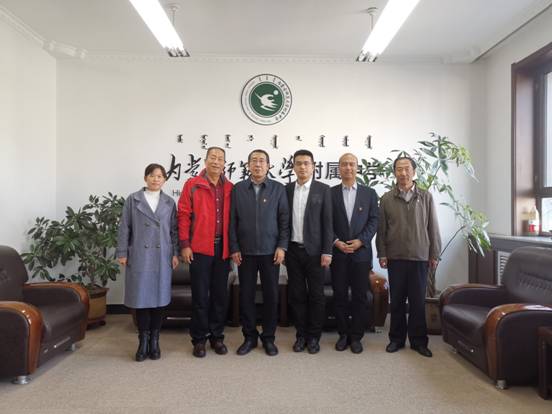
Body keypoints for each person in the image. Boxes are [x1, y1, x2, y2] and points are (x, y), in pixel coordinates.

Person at [376, 156, 441, 358]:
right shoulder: (387, 198)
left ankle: (418, 341)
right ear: (394, 172)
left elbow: (433, 227)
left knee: (417, 302)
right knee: (396, 301)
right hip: (395, 257)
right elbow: (381, 230)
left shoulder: (425, 196)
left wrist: (434, 254)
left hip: (420, 257)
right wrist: (382, 253)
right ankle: (396, 339)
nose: (403, 173)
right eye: (399, 169)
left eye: (407, 169)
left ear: (414, 171)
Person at [117, 163, 179, 361]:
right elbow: (124, 227)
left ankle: (155, 341)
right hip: (140, 255)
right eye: (152, 175)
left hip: (162, 255)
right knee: (141, 299)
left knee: (159, 299)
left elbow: (174, 231)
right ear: (145, 178)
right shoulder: (133, 199)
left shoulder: (169, 202)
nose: (155, 179)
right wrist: (122, 252)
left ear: (164, 180)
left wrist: (175, 253)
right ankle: (143, 340)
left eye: (159, 176)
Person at [229, 149, 289, 356]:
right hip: (244, 252)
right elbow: (232, 221)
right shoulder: (238, 189)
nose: (258, 164)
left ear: (268, 165)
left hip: (271, 252)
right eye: (254, 160)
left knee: (271, 296)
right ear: (248, 165)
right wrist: (234, 247)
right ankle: (249, 337)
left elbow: (284, 220)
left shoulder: (278, 189)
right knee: (246, 295)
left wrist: (282, 246)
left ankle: (269, 338)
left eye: (262, 161)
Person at [177, 147, 233, 358]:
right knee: (200, 296)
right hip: (199, 249)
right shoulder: (192, 185)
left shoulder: (230, 187)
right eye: (213, 158)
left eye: (220, 159)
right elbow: (183, 215)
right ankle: (199, 339)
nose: (216, 161)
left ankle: (217, 337)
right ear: (206, 160)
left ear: (224, 163)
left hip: (223, 249)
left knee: (220, 296)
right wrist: (185, 244)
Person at [285, 149, 333, 354]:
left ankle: (314, 337)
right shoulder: (287, 189)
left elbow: (328, 223)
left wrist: (327, 251)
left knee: (316, 296)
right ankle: (301, 335)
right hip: (292, 251)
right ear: (293, 167)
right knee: (296, 295)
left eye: (306, 163)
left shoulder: (323, 190)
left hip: (315, 253)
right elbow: (283, 221)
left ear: (313, 166)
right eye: (298, 163)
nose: (302, 167)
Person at [330, 153, 379, 354]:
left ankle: (356, 336)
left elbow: (374, 220)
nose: (348, 168)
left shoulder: (369, 193)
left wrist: (361, 241)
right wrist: (336, 242)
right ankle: (343, 334)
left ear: (357, 168)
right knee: (340, 295)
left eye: (352, 164)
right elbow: (326, 222)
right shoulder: (330, 193)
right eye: (344, 164)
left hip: (361, 254)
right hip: (338, 253)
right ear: (339, 168)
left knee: (360, 296)